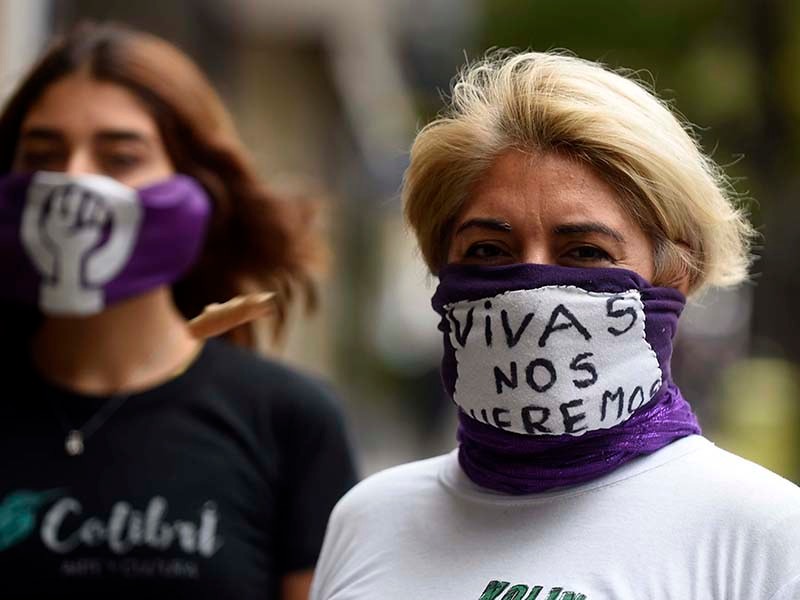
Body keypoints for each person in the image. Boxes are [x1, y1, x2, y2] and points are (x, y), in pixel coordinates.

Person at [310, 51, 800, 600]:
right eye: (489, 249)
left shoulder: (764, 537)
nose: (531, 288)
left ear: (674, 275)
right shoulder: (368, 518)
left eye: (586, 251)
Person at [0, 22, 357, 599]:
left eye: (120, 157)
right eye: (43, 154)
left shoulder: (289, 421)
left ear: (199, 191)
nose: (73, 181)